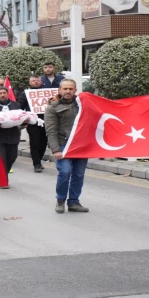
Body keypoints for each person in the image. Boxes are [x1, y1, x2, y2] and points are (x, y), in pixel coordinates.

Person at [44, 79, 89, 214]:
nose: (68, 91)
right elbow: (51, 131)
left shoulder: (83, 104)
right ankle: (61, 200)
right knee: (65, 172)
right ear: (59, 90)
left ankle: (74, 202)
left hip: (81, 146)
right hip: (63, 145)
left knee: (78, 175)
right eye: (65, 89)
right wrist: (56, 150)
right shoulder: (52, 107)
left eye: (71, 89)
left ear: (75, 90)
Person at [17, 75, 48, 173]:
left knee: (44, 142)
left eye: (37, 80)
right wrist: (23, 119)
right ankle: (36, 163)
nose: (35, 82)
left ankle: (39, 159)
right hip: (33, 122)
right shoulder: (25, 94)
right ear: (30, 83)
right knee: (34, 143)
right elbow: (20, 107)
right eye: (33, 81)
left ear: (41, 81)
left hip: (47, 121)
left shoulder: (47, 93)